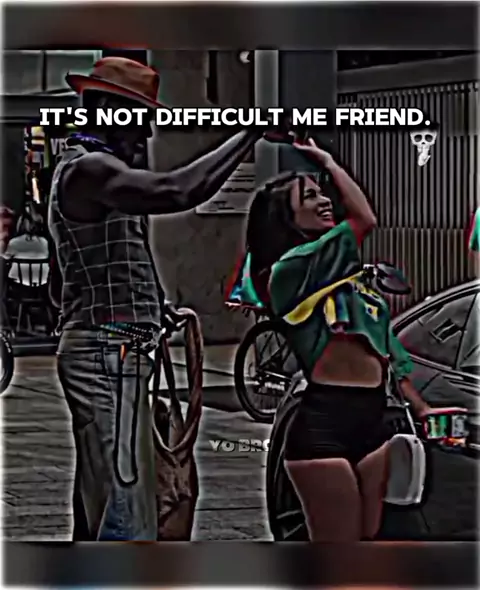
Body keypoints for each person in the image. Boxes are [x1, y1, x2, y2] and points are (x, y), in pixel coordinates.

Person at [47, 56, 283, 541]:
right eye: (140, 118)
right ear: (108, 110)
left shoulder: (99, 174)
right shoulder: (89, 169)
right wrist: (251, 131)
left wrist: (153, 308)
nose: (147, 133)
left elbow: (75, 276)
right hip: (106, 352)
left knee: (107, 499)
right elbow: (179, 190)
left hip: (114, 346)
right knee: (125, 512)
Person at [246, 138, 434, 542]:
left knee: (365, 547)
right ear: (286, 217)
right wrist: (327, 160)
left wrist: (422, 408)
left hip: (374, 418)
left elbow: (387, 350)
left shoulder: (353, 284)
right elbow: (364, 218)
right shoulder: (288, 270)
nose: (325, 201)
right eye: (309, 196)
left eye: (321, 193)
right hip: (324, 424)